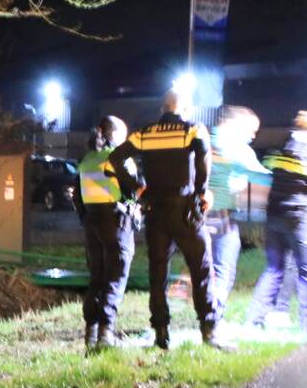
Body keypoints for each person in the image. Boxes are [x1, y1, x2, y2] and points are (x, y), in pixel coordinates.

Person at [109, 90, 223, 350]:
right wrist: (201, 192)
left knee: (158, 273)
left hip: (155, 211)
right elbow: (205, 158)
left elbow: (115, 158)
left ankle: (161, 332)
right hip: (185, 211)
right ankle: (209, 329)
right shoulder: (193, 130)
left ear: (163, 107)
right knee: (201, 269)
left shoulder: (144, 133)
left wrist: (138, 188)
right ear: (183, 107)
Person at [246, 111, 307, 333]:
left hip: (274, 215)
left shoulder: (284, 145)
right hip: (301, 218)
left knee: (274, 269)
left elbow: (270, 173)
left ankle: (254, 318)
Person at [74, 116, 139, 350]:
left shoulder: (87, 159)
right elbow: (135, 188)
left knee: (97, 278)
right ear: (116, 135)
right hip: (117, 223)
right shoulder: (118, 158)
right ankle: (106, 333)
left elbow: (76, 196)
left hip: (91, 223)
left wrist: (85, 218)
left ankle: (91, 332)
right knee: (115, 277)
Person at [205, 106, 271, 321]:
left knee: (203, 266)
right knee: (223, 267)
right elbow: (258, 175)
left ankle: (204, 312)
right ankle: (214, 318)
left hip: (196, 214)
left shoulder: (205, 138)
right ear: (236, 124)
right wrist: (288, 177)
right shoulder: (234, 146)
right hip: (221, 214)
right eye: (251, 130)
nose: (253, 136)